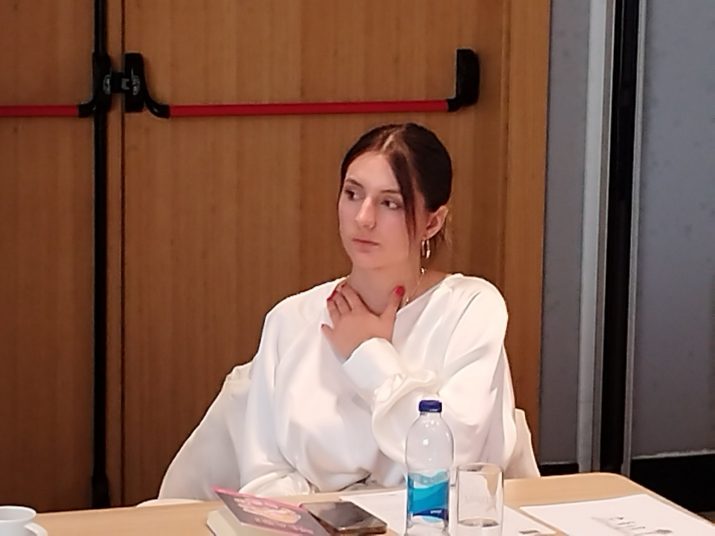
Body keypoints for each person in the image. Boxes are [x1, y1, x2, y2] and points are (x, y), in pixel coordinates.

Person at [158, 123, 526, 500]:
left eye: (390, 203)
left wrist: (368, 353)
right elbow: (265, 477)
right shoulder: (291, 320)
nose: (363, 217)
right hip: (309, 523)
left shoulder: (470, 308)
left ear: (432, 222)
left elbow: (451, 461)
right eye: (353, 194)